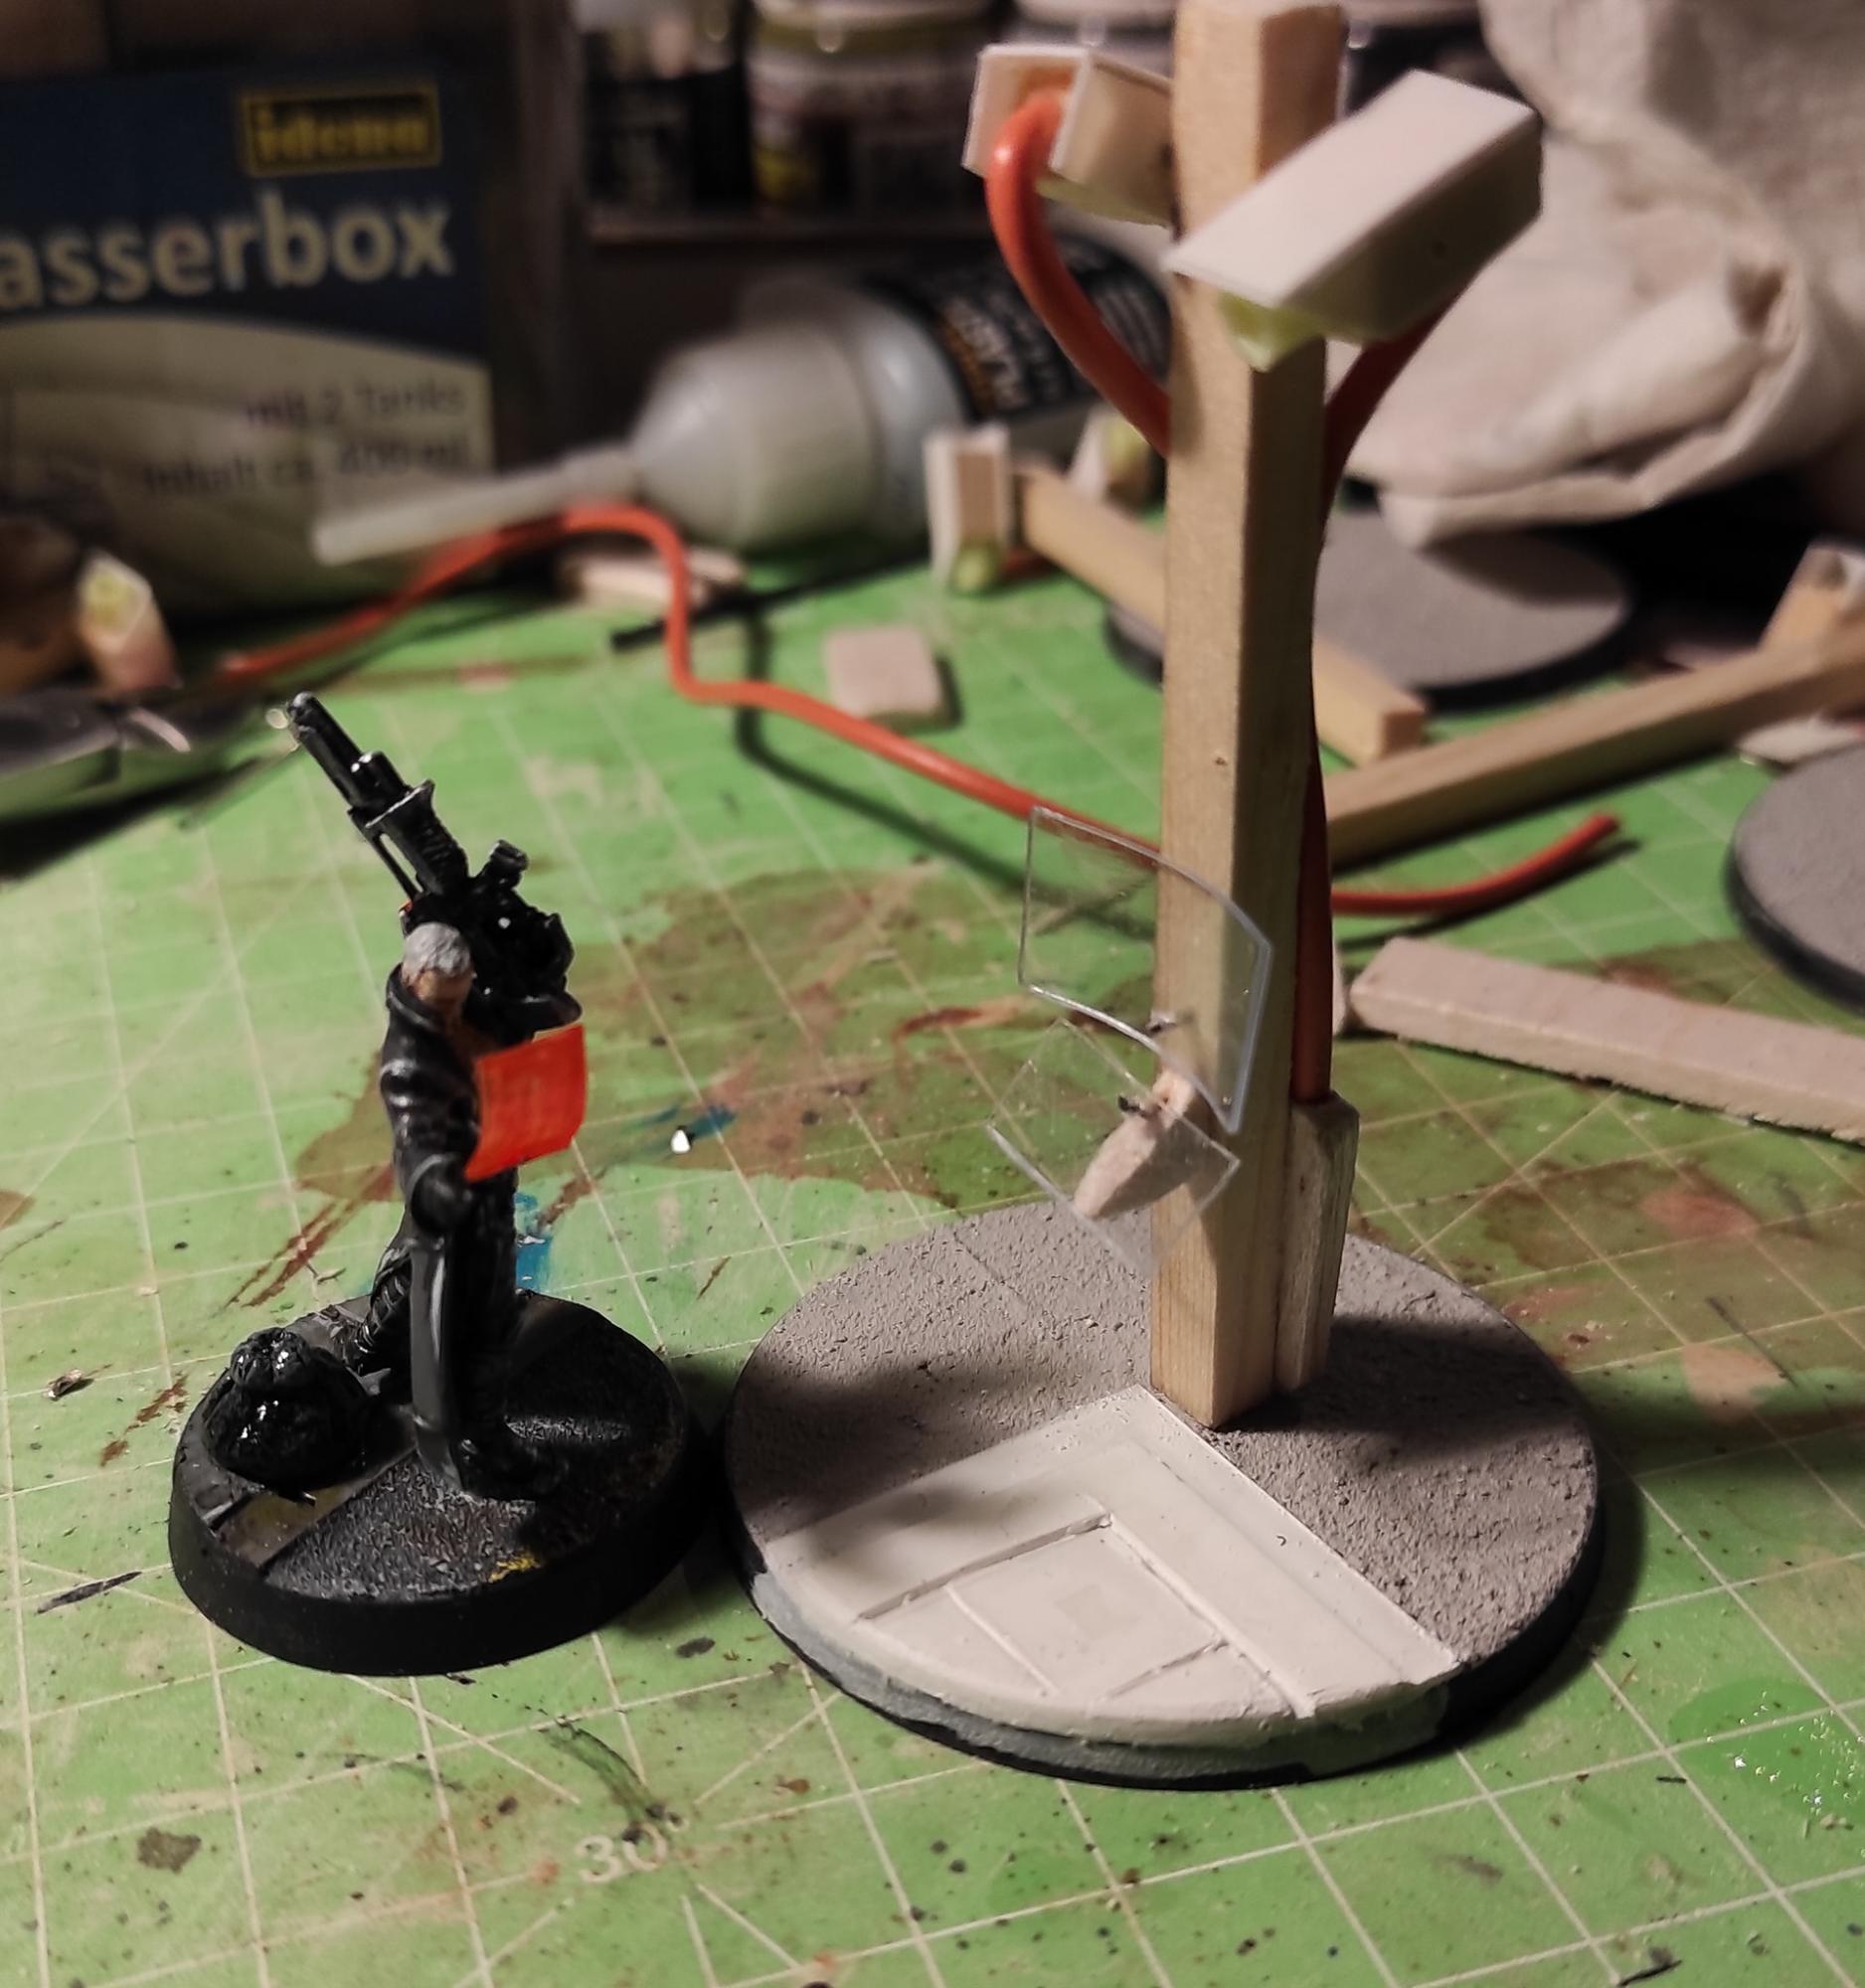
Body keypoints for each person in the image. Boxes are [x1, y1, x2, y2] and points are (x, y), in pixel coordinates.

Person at [336, 921, 561, 1498]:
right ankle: (478, 1434)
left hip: (491, 1187)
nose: (454, 1012)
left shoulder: (472, 1012)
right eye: (444, 1001)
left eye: (461, 996)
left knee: (475, 1312)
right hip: (453, 1201)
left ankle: (478, 1426)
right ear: (414, 981)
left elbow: (532, 1013)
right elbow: (415, 1134)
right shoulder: (409, 1060)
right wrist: (441, 1187)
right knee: (460, 1311)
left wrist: (543, 960)